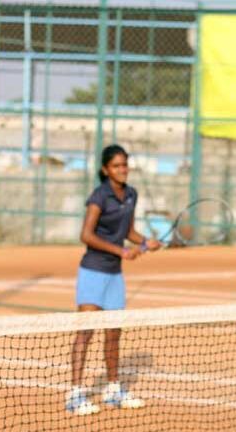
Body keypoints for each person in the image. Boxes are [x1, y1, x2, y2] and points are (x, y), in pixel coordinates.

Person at [65, 144, 161, 416]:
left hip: (115, 276)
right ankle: (74, 393)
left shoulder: (131, 194)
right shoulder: (99, 197)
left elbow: (128, 230)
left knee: (113, 334)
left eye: (125, 165)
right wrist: (121, 250)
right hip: (93, 272)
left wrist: (145, 242)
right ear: (106, 169)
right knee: (85, 333)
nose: (122, 170)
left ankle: (113, 389)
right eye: (117, 166)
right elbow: (86, 234)